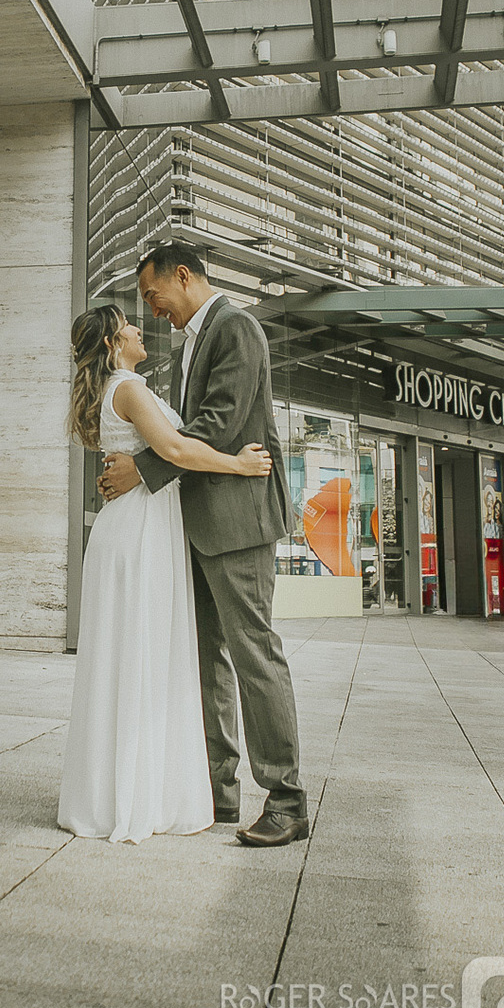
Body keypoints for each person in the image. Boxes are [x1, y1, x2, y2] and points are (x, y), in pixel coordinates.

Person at [98, 242, 308, 847]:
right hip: (198, 525)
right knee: (206, 657)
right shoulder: (194, 337)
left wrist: (143, 469)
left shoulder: (235, 328)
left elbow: (216, 424)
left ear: (182, 276)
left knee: (252, 652)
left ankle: (287, 799)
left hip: (238, 523)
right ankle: (219, 790)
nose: (150, 308)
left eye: (150, 294)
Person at [59, 303, 272, 843]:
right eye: (128, 324)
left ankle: (116, 791)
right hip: (140, 531)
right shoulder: (128, 387)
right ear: (112, 343)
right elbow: (176, 447)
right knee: (145, 658)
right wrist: (239, 464)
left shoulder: (119, 387)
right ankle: (139, 795)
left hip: (131, 526)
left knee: (128, 659)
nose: (138, 327)